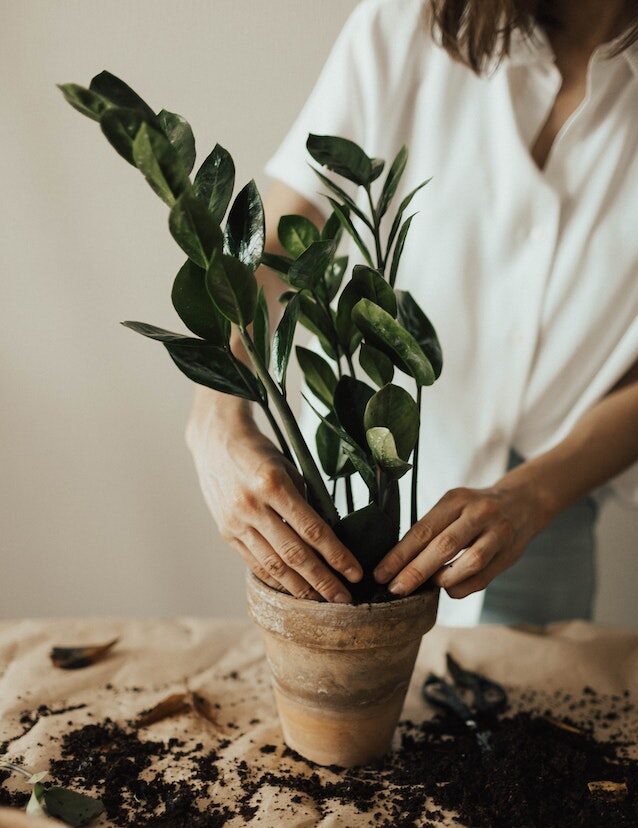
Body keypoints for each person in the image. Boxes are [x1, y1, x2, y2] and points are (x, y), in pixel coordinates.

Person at [187, 0, 638, 625]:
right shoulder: (407, 24)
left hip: (544, 510)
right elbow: (278, 242)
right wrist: (215, 420)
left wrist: (533, 496)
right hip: (349, 478)